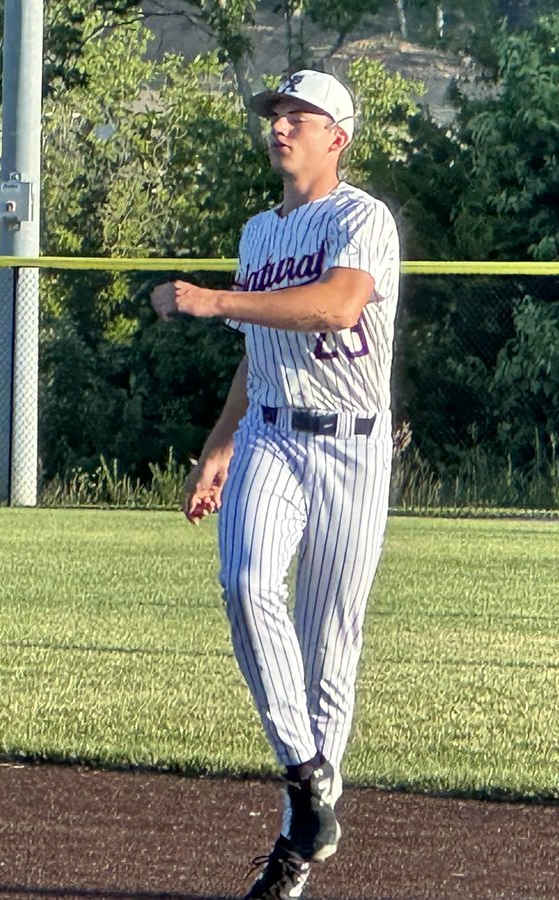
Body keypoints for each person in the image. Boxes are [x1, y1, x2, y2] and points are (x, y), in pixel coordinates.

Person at [151, 69, 400, 900]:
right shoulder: (259, 231)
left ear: (339, 137)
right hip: (270, 433)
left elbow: (336, 307)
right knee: (246, 580)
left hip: (354, 447)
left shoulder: (362, 217)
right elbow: (260, 353)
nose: (281, 125)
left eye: (300, 115)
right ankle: (305, 776)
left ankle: (296, 852)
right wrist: (220, 445)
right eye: (276, 114)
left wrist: (214, 299)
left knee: (330, 644)